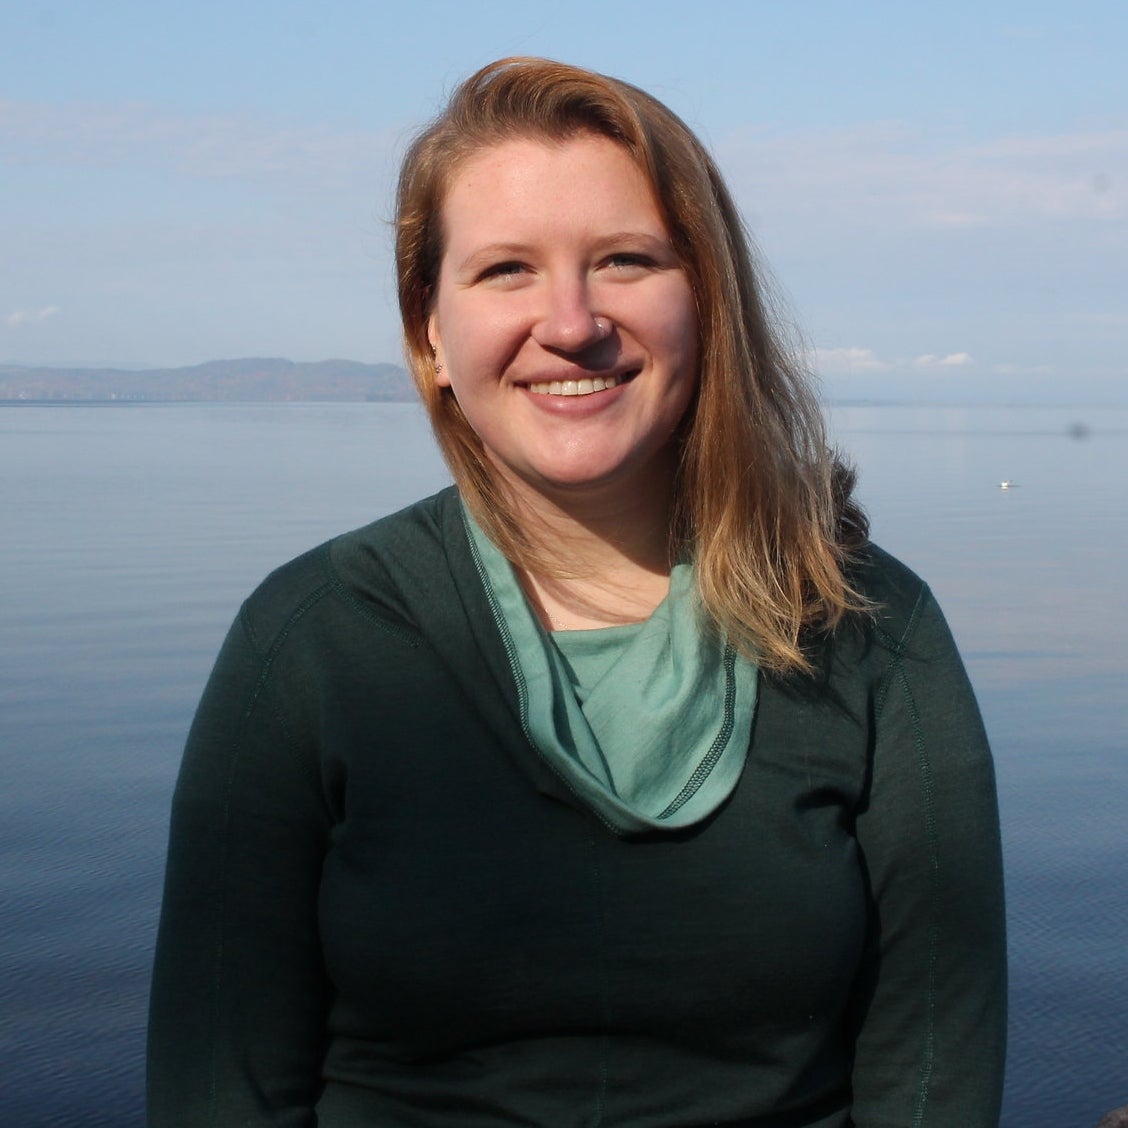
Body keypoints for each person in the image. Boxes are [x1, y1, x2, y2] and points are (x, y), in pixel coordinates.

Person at [147, 57, 1007, 1127]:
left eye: (626, 260)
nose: (571, 321)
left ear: (710, 303)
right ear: (430, 336)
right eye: (506, 269)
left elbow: (935, 1067)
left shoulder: (869, 628)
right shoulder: (315, 640)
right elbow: (220, 1084)